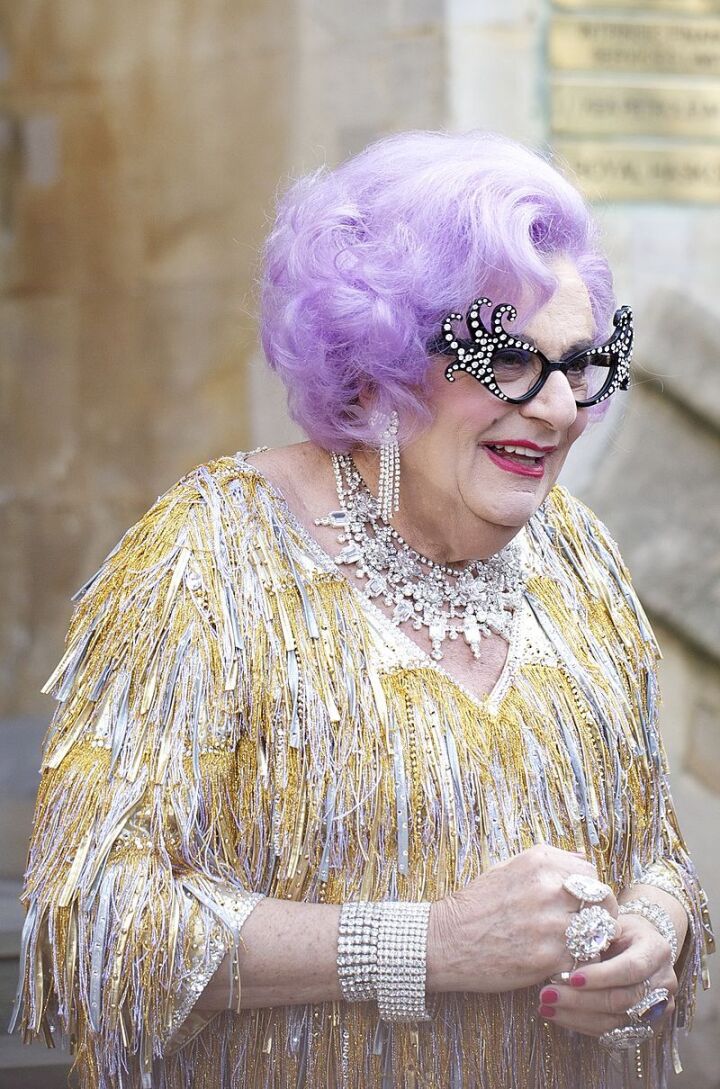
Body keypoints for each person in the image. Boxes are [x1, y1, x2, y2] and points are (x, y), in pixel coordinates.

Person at [11, 131, 714, 1089]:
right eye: (508, 360)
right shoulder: (211, 557)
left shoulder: (581, 554)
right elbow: (91, 917)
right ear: (382, 361)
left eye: (582, 364)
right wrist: (431, 945)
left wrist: (652, 932)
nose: (555, 410)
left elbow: (657, 851)